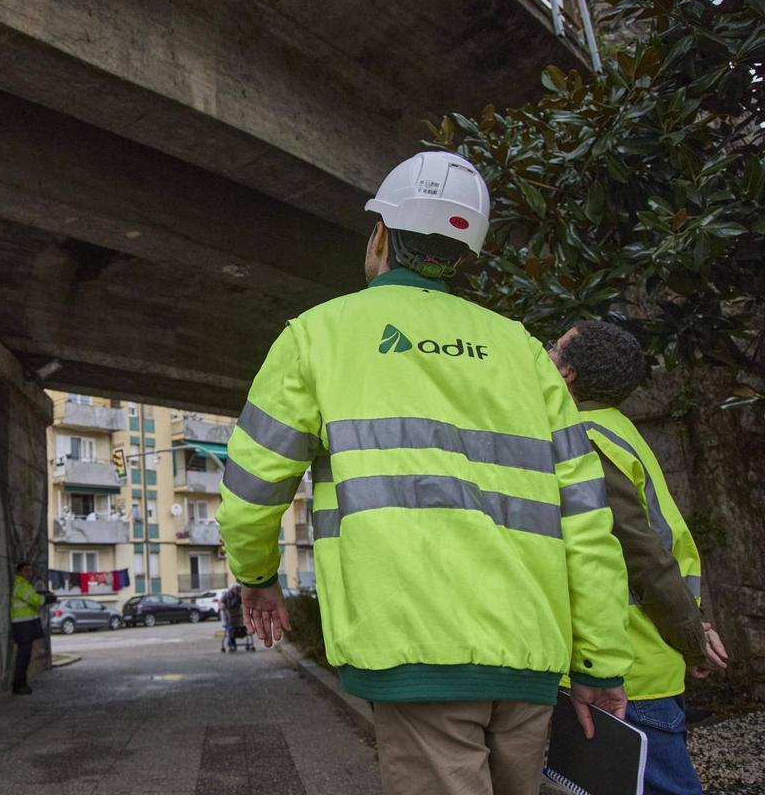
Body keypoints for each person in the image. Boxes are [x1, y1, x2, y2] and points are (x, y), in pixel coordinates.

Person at [216, 150, 634, 795]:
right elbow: (586, 519)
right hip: (527, 656)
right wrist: (600, 662)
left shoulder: (318, 335)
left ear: (380, 233)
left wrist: (258, 577)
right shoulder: (524, 352)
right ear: (466, 254)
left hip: (410, 649)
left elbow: (251, 492)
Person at [548, 320, 729, 795]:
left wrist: (692, 637)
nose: (544, 354)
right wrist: (694, 628)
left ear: (566, 375)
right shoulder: (617, 429)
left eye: (553, 348)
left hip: (625, 672)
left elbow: (640, 553)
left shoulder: (582, 438)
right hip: (646, 658)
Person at [10, 561, 45, 695]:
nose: (29, 573)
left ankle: (21, 684)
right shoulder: (21, 585)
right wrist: (46, 598)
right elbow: (35, 600)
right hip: (22, 625)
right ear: (19, 572)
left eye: (30, 571)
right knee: (23, 656)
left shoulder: (23, 584)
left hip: (25, 624)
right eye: (26, 571)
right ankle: (19, 685)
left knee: (24, 656)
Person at [219, 584, 255, 653]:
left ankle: (233, 644)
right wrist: (223, 607)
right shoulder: (226, 595)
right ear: (233, 589)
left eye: (238, 589)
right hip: (229, 615)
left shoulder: (238, 595)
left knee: (238, 628)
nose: (238, 590)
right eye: (237, 589)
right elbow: (221, 603)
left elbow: (243, 603)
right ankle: (232, 644)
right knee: (231, 629)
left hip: (237, 615)